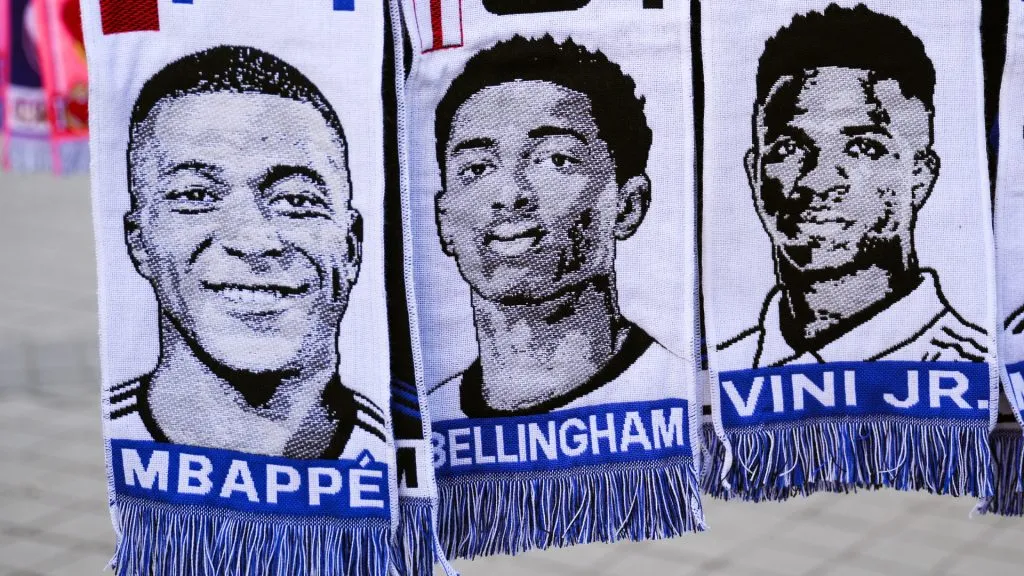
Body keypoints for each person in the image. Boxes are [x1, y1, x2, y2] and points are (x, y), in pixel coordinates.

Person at [106, 45, 386, 460]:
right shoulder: (115, 448)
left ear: (350, 245)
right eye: (196, 195)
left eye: (295, 200)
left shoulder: (419, 455)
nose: (254, 240)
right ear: (138, 240)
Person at [718, 4, 987, 369]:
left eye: (863, 148)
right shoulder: (718, 375)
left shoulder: (971, 373)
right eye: (789, 149)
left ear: (919, 177)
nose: (818, 179)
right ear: (755, 173)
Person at [429, 34, 683, 418]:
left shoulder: (674, 396)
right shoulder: (433, 420)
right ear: (444, 221)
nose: (510, 194)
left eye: (555, 160)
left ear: (627, 206)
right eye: (477, 169)